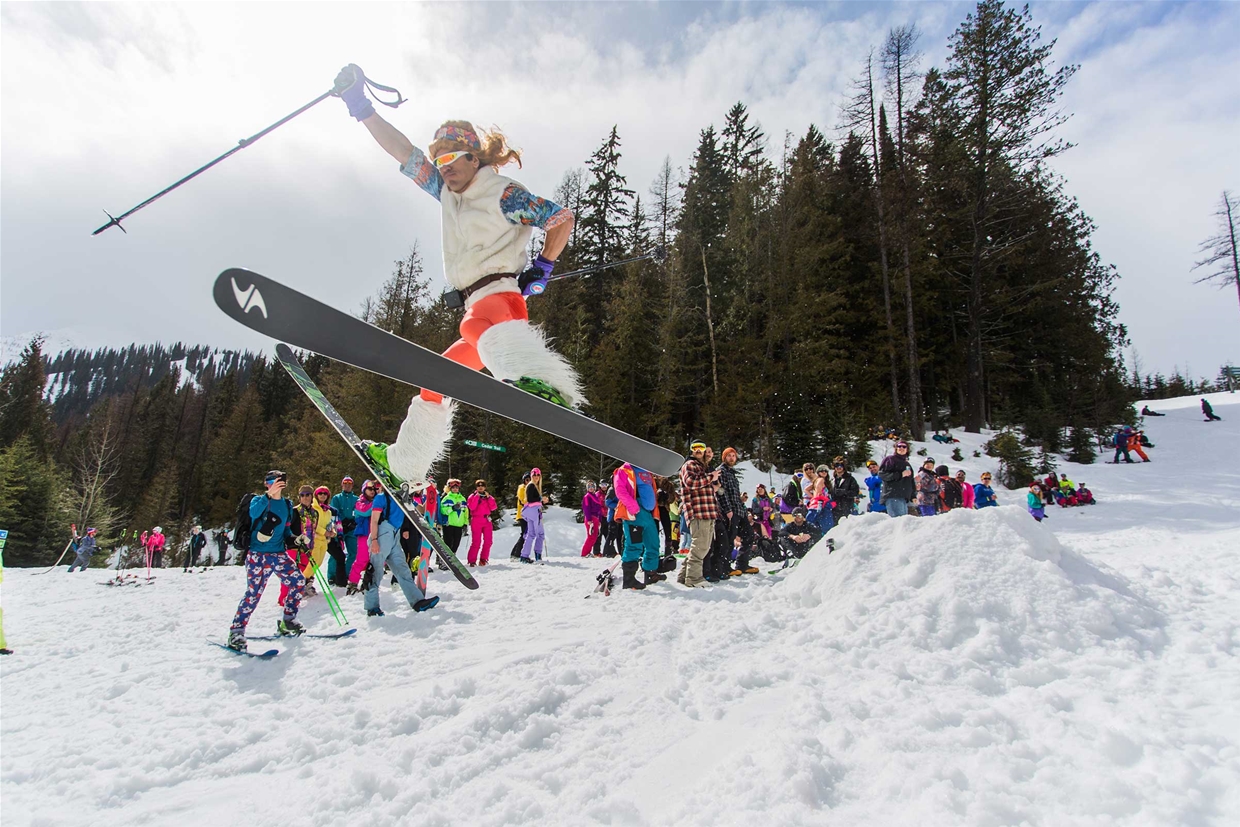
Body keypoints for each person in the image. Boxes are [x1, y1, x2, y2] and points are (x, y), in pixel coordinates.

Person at [334, 66, 582, 492]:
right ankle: (406, 461)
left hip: (499, 300)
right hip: (477, 305)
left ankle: (541, 380)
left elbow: (561, 218)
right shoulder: (447, 192)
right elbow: (404, 152)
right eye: (441, 161)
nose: (444, 168)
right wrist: (361, 108)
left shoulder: (503, 193)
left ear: (474, 158)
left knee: (473, 326)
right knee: (438, 378)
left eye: (453, 160)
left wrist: (543, 266)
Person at [226, 471, 306, 652]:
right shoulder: (259, 501)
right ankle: (236, 631)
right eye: (271, 481)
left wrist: (295, 540)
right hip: (257, 555)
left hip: (278, 554)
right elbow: (254, 514)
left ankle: (288, 620)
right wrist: (268, 495)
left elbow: (285, 532)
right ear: (266, 483)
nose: (275, 484)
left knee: (298, 581)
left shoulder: (287, 504)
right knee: (254, 593)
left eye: (278, 481)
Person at [364, 479, 439, 617]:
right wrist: (374, 540)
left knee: (403, 570)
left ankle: (417, 602)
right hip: (382, 534)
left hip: (395, 535)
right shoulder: (381, 497)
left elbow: (420, 509)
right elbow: (374, 520)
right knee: (375, 571)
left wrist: (431, 491)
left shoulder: (403, 499)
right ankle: (372, 607)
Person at [613, 463, 665, 589]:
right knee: (634, 545)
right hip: (634, 513)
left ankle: (650, 573)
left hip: (648, 513)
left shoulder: (647, 471)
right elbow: (620, 489)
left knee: (653, 543)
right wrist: (633, 506)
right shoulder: (624, 470)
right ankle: (629, 579)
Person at [677, 440, 720, 588]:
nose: (698, 450)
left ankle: (683, 576)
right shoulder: (689, 465)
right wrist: (710, 477)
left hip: (707, 512)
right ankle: (694, 579)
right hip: (698, 512)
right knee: (700, 547)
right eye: (694, 448)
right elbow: (691, 483)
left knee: (701, 547)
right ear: (691, 450)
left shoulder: (701, 467)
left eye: (701, 447)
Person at [347, 480, 378, 594]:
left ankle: (368, 581)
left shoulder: (374, 501)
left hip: (375, 534)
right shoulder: (360, 502)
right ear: (364, 490)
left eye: (374, 489)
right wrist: (378, 502)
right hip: (364, 534)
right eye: (370, 489)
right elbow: (365, 511)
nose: (372, 492)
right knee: (362, 559)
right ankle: (352, 583)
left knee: (375, 560)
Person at [330, 476, 359, 587]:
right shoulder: (337, 498)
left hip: (351, 529)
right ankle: (332, 575)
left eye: (349, 483)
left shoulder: (356, 499)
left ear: (352, 485)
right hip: (339, 528)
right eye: (345, 483)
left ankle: (346, 574)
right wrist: (343, 521)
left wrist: (353, 522)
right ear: (342, 485)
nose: (347, 485)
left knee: (353, 552)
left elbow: (358, 511)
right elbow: (334, 510)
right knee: (336, 552)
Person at [878, 443, 916, 517]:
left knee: (903, 523)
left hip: (904, 497)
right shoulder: (890, 459)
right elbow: (882, 474)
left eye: (904, 447)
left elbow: (910, 481)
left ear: (907, 449)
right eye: (899, 446)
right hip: (893, 495)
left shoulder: (907, 464)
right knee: (898, 521)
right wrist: (900, 475)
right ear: (896, 448)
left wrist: (913, 496)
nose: (901, 448)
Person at [466, 479, 496, 566]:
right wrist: (477, 497)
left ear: (485, 487)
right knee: (476, 541)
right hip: (476, 520)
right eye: (478, 486)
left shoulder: (488, 496)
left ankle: (483, 559)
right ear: (476, 487)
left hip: (486, 520)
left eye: (482, 486)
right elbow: (472, 507)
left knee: (488, 541)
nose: (480, 487)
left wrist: (488, 498)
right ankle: (472, 560)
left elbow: (493, 507)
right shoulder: (472, 496)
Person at [439, 479, 468, 554]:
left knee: (456, 544)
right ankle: (444, 560)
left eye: (457, 487)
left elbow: (465, 512)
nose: (455, 489)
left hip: (459, 525)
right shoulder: (446, 498)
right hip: (449, 524)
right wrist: (452, 508)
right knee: (447, 544)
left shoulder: (462, 499)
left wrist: (465, 523)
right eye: (453, 488)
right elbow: (442, 510)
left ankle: (453, 559)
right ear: (450, 488)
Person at [580, 481, 605, 558]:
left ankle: (588, 552)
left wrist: (600, 520)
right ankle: (584, 553)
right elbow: (586, 508)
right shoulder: (587, 496)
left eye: (592, 487)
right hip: (591, 518)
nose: (591, 488)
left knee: (594, 537)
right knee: (591, 536)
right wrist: (589, 520)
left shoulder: (595, 496)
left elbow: (599, 509)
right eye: (589, 487)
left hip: (596, 518)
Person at [510, 472, 531, 560]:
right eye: (527, 480)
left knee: (525, 534)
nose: (528, 481)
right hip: (523, 515)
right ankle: (516, 553)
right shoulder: (522, 488)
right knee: (525, 534)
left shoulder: (531, 488)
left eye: (530, 480)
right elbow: (524, 500)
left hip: (529, 515)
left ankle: (515, 553)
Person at [602, 477, 622, 558]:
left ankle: (620, 551)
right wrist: (617, 506)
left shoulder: (620, 488)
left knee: (620, 534)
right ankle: (607, 552)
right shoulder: (612, 490)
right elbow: (607, 502)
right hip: (613, 516)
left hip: (620, 516)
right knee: (611, 534)